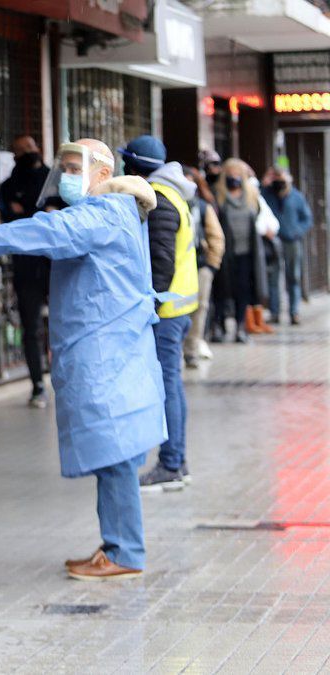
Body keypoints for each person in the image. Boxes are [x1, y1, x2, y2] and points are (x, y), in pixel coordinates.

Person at [0, 139, 165, 581]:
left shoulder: (103, 213)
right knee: (114, 453)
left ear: (102, 174)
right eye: (63, 167)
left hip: (106, 353)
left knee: (116, 454)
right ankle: (118, 545)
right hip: (109, 350)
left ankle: (124, 552)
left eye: (75, 167)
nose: (66, 175)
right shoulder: (112, 212)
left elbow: (54, 233)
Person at [117, 136, 198, 492]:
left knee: (167, 385)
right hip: (177, 307)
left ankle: (171, 463)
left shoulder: (160, 199)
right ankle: (176, 460)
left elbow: (160, 261)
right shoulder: (171, 193)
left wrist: (147, 308)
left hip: (167, 309)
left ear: (135, 167)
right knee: (171, 384)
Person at [0, 134, 54, 409]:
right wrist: (37, 213)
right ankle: (37, 385)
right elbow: (11, 221)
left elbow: (57, 215)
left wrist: (29, 214)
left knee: (63, 323)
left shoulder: (53, 178)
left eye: (30, 148)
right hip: (25, 266)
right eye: (20, 150)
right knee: (31, 329)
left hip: (55, 264)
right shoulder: (9, 186)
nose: (27, 153)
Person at [211, 158, 271, 344]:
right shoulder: (218, 195)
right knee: (222, 290)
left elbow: (259, 216)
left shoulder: (252, 195)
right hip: (224, 252)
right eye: (230, 175)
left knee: (243, 290)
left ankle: (240, 326)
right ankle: (219, 325)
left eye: (238, 175)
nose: (234, 178)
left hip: (246, 252)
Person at [181, 165, 225, 368]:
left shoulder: (202, 206)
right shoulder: (170, 203)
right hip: (177, 266)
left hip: (200, 265)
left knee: (199, 308)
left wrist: (211, 266)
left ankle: (191, 349)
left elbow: (216, 237)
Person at [262, 166, 313, 325]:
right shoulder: (266, 194)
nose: (278, 182)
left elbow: (307, 218)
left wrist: (297, 231)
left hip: (292, 241)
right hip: (273, 242)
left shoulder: (296, 196)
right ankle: (274, 312)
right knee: (273, 277)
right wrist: (264, 182)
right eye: (275, 178)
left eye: (281, 178)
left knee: (294, 276)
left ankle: (294, 312)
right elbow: (256, 204)